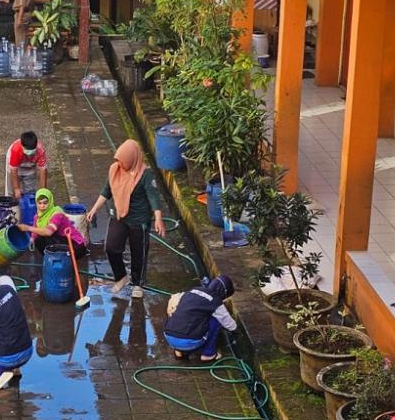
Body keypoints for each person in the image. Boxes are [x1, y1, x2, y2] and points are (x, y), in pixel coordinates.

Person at [86, 140, 165, 300]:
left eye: (123, 161)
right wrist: (94, 209)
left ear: (132, 159)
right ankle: (121, 276)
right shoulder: (115, 170)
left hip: (139, 221)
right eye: (119, 161)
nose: (120, 164)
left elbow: (153, 197)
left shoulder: (145, 175)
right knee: (111, 247)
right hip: (119, 216)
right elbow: (106, 191)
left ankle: (138, 284)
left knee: (139, 253)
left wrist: (158, 218)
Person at [163, 275, 237, 362]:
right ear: (223, 293)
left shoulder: (192, 291)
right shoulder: (215, 301)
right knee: (216, 320)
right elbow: (230, 325)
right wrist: (235, 330)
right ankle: (208, 354)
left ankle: (179, 351)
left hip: (169, 337)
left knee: (183, 314)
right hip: (189, 343)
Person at [18, 188, 88, 258]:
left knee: (47, 237)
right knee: (38, 239)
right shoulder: (38, 217)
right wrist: (31, 240)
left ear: (50, 202)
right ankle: (51, 259)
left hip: (76, 246)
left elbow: (49, 232)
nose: (42, 206)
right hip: (61, 243)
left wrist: (28, 228)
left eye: (45, 203)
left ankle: (57, 259)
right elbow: (35, 233)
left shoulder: (57, 214)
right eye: (39, 203)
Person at [5, 131, 48, 198]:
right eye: (27, 150)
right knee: (12, 191)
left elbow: (43, 170)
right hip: (15, 165)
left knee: (30, 191)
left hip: (30, 166)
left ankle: (28, 202)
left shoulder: (40, 150)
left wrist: (43, 191)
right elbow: (13, 170)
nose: (29, 153)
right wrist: (16, 188)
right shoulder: (15, 149)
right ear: (22, 145)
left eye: (32, 150)